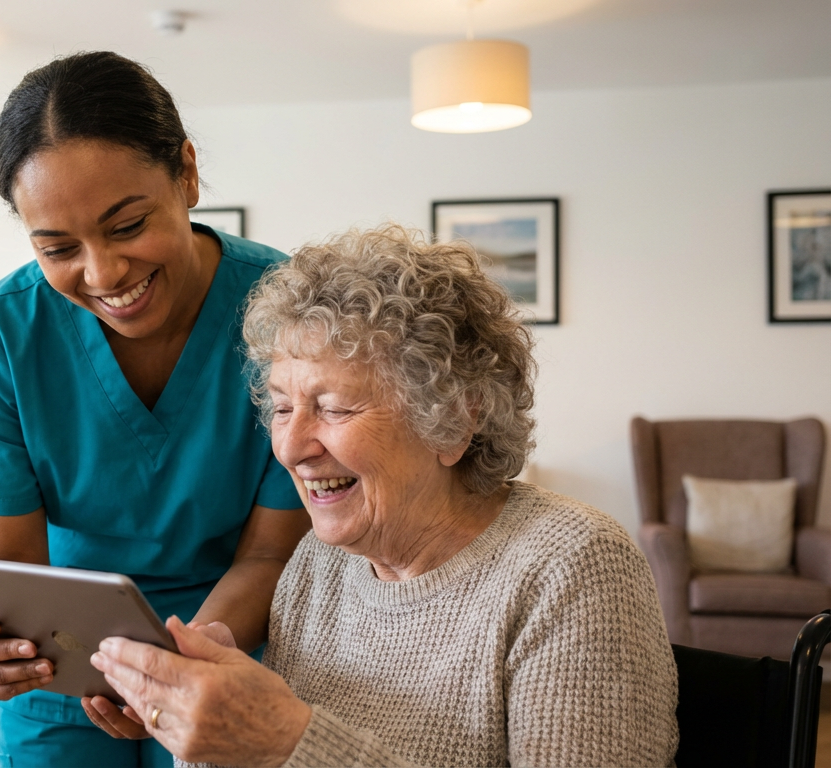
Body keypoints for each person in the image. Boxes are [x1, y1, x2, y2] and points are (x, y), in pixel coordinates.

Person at [90, 225, 680, 767]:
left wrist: (285, 740)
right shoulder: (320, 563)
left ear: (451, 420)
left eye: (334, 408)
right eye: (283, 407)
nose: (292, 447)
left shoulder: (573, 567)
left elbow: (294, 753)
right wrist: (208, 721)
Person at [0, 51, 309, 767]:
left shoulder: (285, 310)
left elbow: (272, 551)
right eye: (57, 248)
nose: (103, 274)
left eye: (128, 224)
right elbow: (15, 569)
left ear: (188, 173)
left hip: (235, 649)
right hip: (65, 667)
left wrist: (182, 667)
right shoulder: (0, 337)